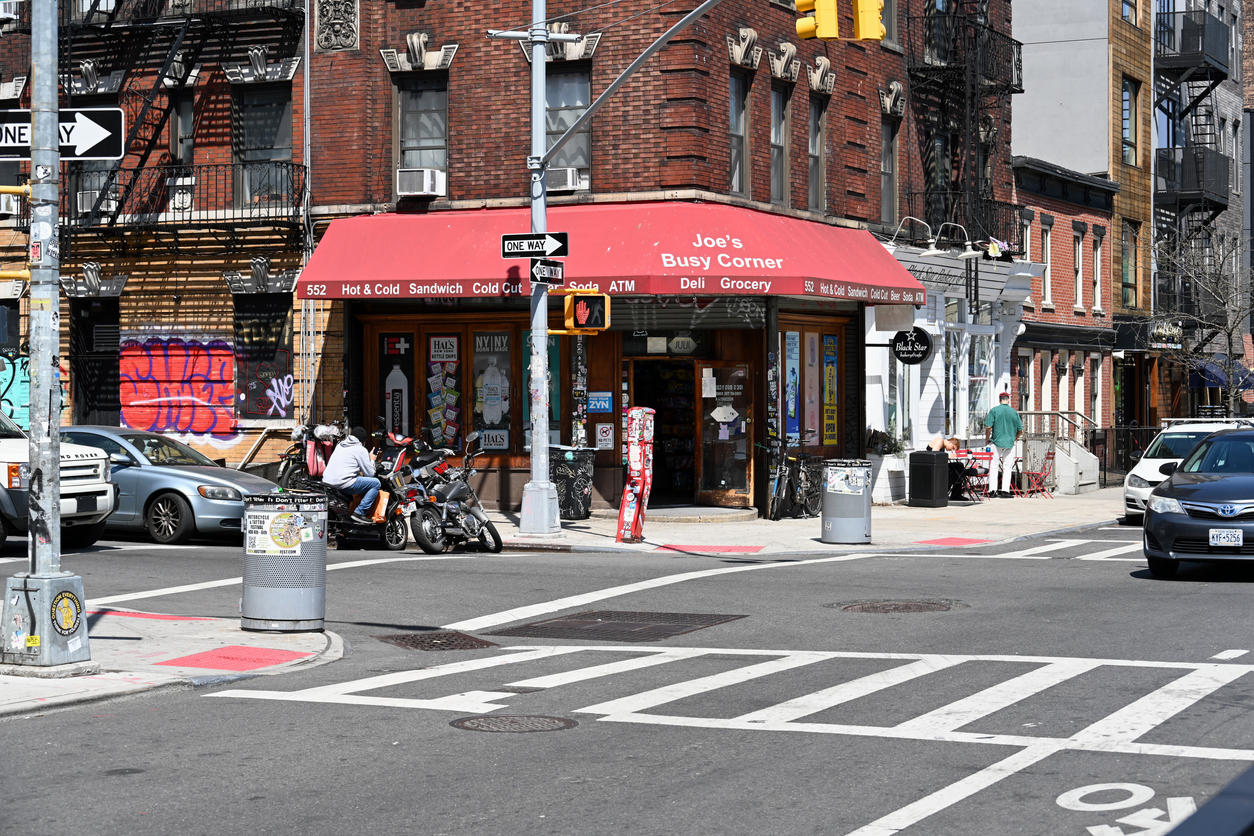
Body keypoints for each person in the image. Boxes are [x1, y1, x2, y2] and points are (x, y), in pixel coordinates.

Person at [323, 426, 379, 524]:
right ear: (363, 441)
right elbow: (370, 474)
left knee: (358, 478)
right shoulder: (360, 449)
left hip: (327, 482)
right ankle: (359, 513)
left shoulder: (340, 445)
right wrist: (372, 460)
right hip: (343, 483)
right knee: (376, 483)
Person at [984, 391, 1024, 498]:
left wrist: (987, 439)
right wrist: (1014, 439)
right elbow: (1021, 430)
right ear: (1008, 400)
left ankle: (992, 490)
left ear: (999, 400)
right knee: (1007, 467)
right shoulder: (1014, 412)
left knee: (994, 466)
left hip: (996, 442)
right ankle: (1005, 491)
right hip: (1009, 443)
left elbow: (988, 427)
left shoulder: (994, 411)